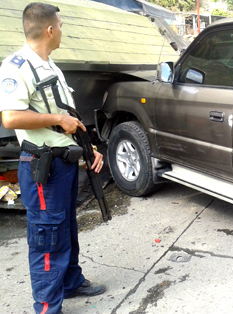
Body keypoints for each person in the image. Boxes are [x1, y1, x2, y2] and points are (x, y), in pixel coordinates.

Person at [0, 3, 106, 314]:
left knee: (66, 227)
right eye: (60, 25)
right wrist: (59, 119)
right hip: (42, 167)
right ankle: (47, 306)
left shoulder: (50, 66)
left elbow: (65, 119)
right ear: (49, 30)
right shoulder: (16, 66)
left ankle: (70, 282)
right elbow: (11, 117)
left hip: (64, 162)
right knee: (48, 234)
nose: (62, 30)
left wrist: (88, 150)